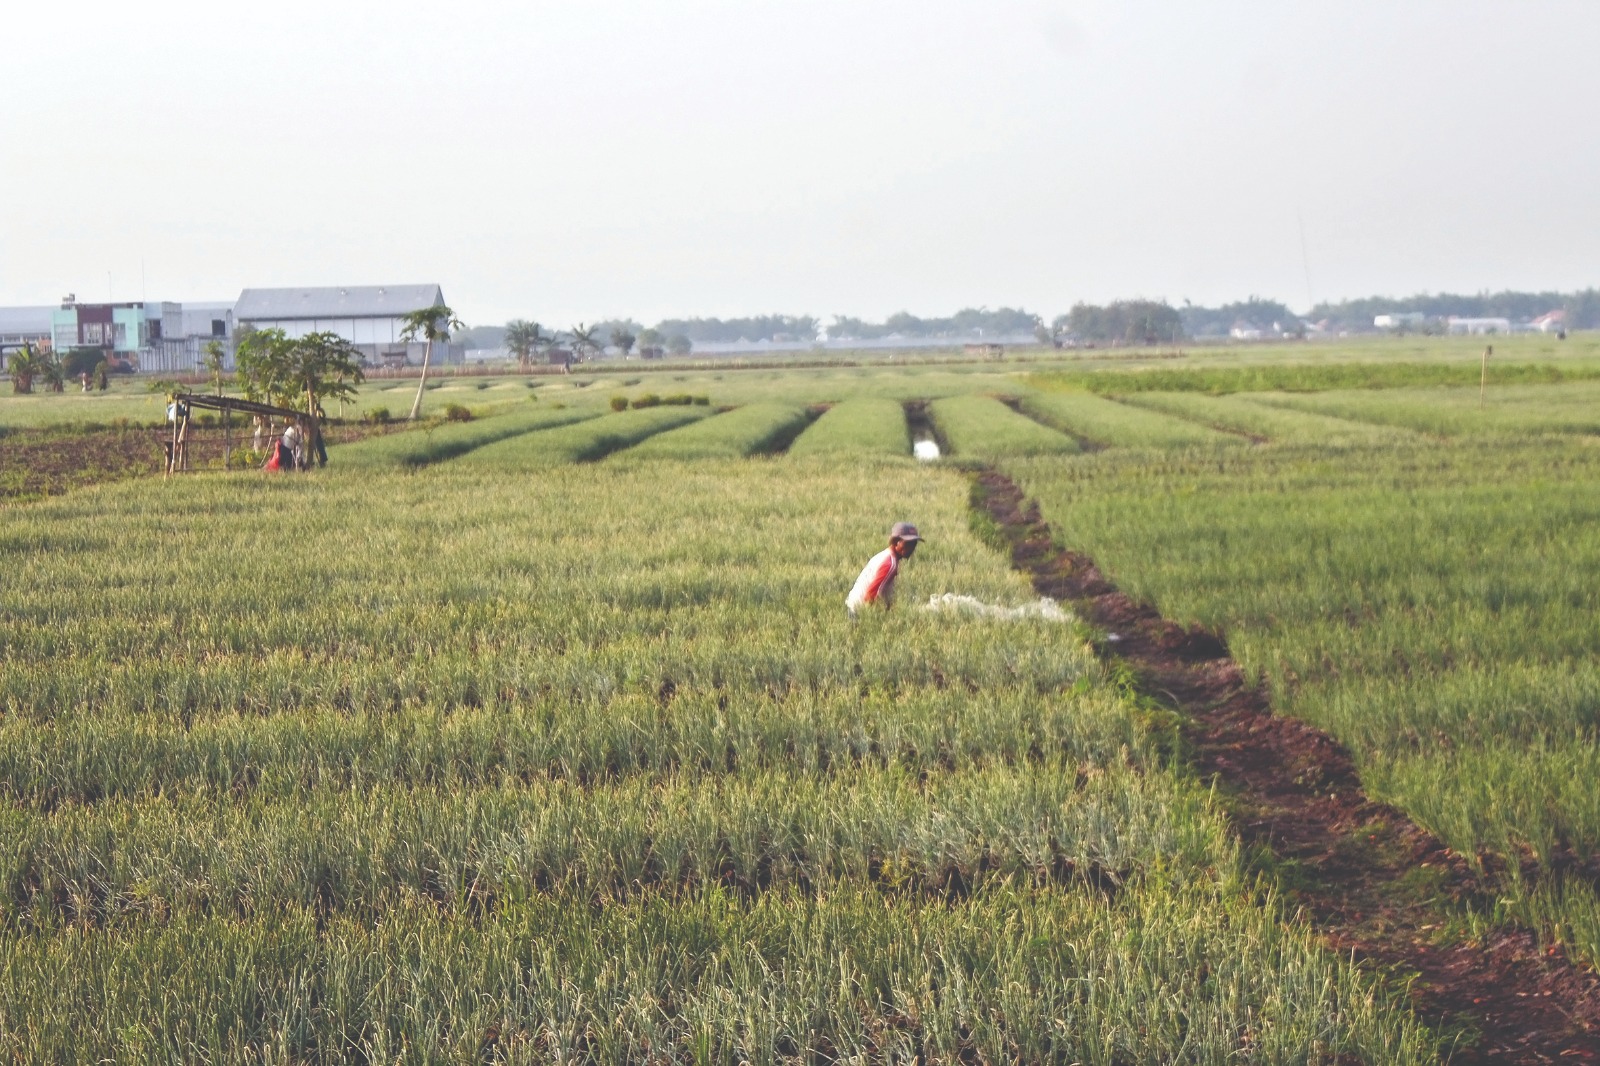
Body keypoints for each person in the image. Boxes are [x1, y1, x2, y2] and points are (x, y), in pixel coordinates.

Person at [847, 522, 922, 619]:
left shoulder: (885, 556)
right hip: (860, 612)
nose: (912, 548)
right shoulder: (890, 564)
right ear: (895, 542)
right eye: (908, 543)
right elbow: (872, 594)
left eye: (914, 543)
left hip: (853, 605)